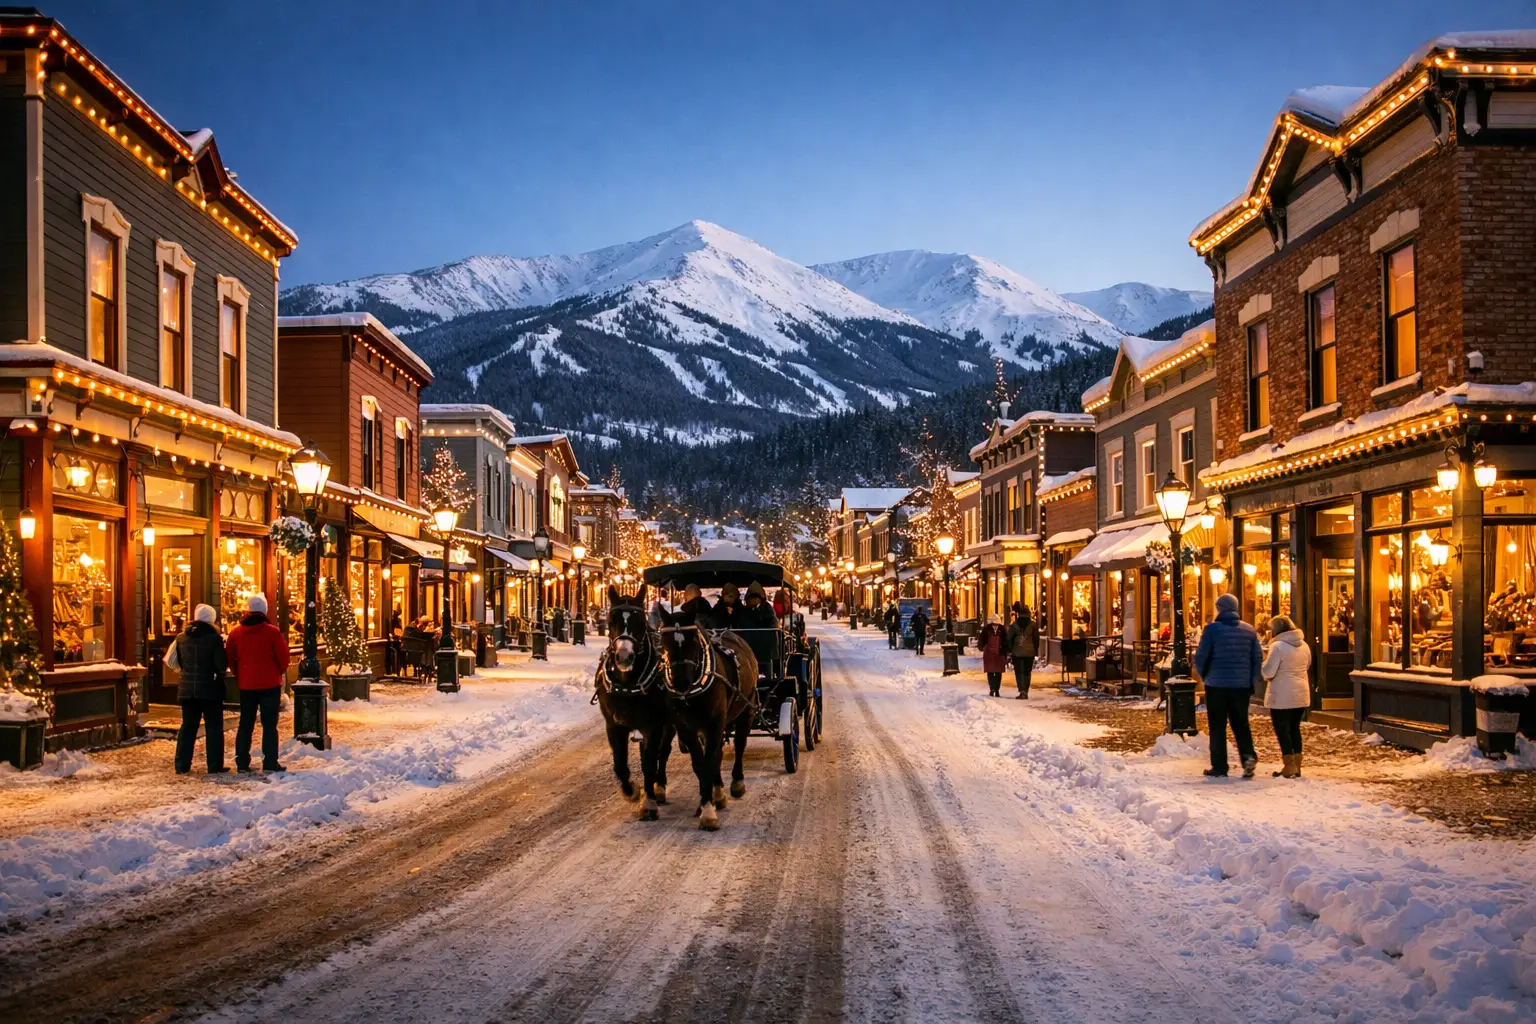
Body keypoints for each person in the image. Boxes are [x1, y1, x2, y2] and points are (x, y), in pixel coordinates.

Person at [1193, 592, 1262, 779]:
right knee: (1241, 723)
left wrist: (1205, 675)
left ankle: (1219, 766)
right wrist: (1250, 680)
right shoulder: (1249, 631)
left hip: (1216, 685)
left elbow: (1201, 657)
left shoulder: (1212, 630)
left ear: (1220, 609)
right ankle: (1248, 757)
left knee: (1217, 725)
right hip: (1241, 686)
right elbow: (1257, 659)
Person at [226, 594, 291, 773]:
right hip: (269, 684)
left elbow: (230, 658)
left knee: (246, 723)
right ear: (264, 611)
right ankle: (270, 761)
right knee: (269, 724)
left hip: (247, 684)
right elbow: (283, 657)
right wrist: (277, 671)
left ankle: (242, 761)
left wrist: (240, 674)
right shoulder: (272, 632)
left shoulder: (236, 632)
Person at [169, 604, 228, 775]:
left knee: (188, 727)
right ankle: (214, 765)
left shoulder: (180, 638)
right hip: (210, 689)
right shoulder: (214, 639)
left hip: (187, 689)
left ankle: (181, 764)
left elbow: (176, 662)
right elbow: (221, 665)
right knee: (214, 728)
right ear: (211, 619)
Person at [1261, 614, 1312, 779]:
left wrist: (1262, 664)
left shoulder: (1278, 647)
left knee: (1282, 729)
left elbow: (1268, 671)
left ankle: (1289, 766)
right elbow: (1308, 665)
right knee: (1294, 728)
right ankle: (1297, 765)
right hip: (1301, 693)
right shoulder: (1304, 645)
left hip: (1281, 695)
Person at [1005, 603, 1039, 699]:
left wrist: (1010, 649)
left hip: (1017, 652)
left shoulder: (1014, 625)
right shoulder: (1033, 625)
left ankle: (1022, 690)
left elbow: (1009, 638)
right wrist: (1035, 649)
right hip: (1029, 652)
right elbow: (1036, 638)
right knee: (1027, 672)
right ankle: (1026, 690)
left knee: (1019, 671)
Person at [979, 613, 1007, 696]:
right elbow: (982, 640)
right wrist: (982, 647)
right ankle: (992, 689)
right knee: (990, 672)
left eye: (996, 624)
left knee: (998, 672)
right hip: (989, 653)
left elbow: (1006, 641)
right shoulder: (986, 629)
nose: (995, 626)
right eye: (994, 624)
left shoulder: (1002, 629)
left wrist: (1005, 650)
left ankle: (997, 689)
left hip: (1000, 653)